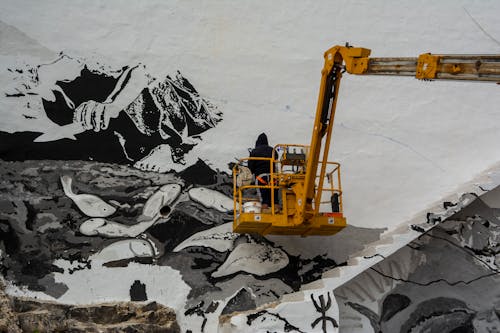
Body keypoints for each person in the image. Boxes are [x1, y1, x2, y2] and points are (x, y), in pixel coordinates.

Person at [248, 133, 278, 209]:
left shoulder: (254, 151)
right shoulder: (272, 150)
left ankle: (265, 210)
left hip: (261, 177)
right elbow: (276, 161)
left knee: (263, 197)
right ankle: (276, 208)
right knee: (274, 195)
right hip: (273, 176)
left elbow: (250, 167)